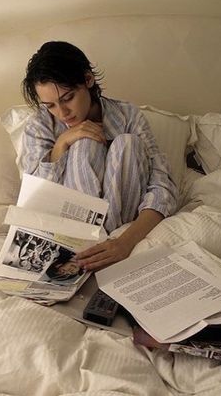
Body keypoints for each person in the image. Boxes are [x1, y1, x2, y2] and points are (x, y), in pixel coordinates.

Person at [20, 41, 178, 272]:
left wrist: (124, 243)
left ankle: (106, 243)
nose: (62, 113)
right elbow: (33, 199)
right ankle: (95, 242)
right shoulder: (39, 126)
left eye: (68, 98)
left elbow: (162, 187)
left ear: (88, 80)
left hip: (122, 225)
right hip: (73, 226)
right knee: (84, 144)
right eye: (51, 105)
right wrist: (62, 143)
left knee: (128, 142)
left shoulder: (128, 115)